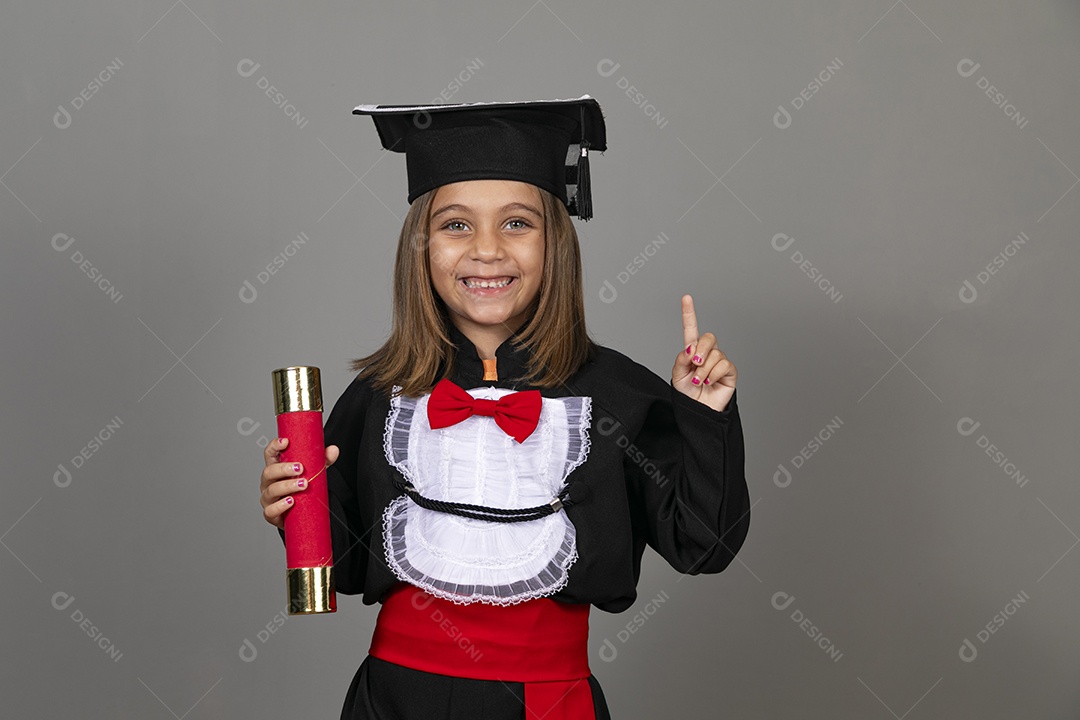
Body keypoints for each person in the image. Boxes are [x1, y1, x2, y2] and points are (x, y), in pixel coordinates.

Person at [258, 96, 750, 719]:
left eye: (517, 223)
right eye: (455, 225)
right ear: (420, 247)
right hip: (395, 700)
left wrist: (703, 419)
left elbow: (703, 546)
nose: (486, 250)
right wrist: (293, 509)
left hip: (546, 701)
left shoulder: (616, 394)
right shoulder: (383, 393)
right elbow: (348, 561)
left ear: (555, 244)